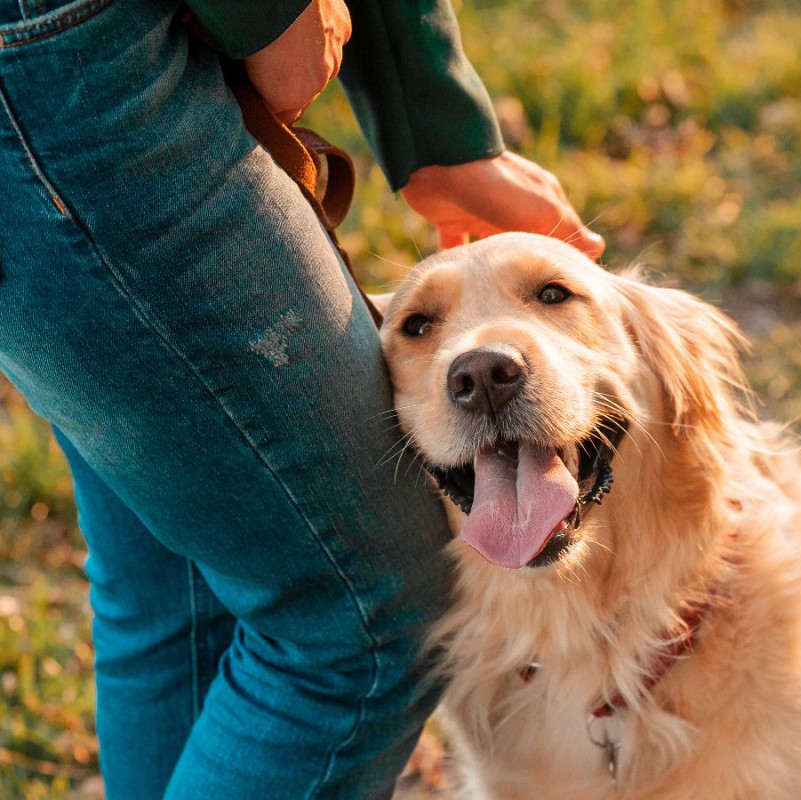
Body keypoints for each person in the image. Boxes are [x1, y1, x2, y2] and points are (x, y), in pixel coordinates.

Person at [0, 0, 603, 797]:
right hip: (67, 58)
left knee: (183, 579)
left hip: (69, 52)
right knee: (360, 620)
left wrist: (433, 123)